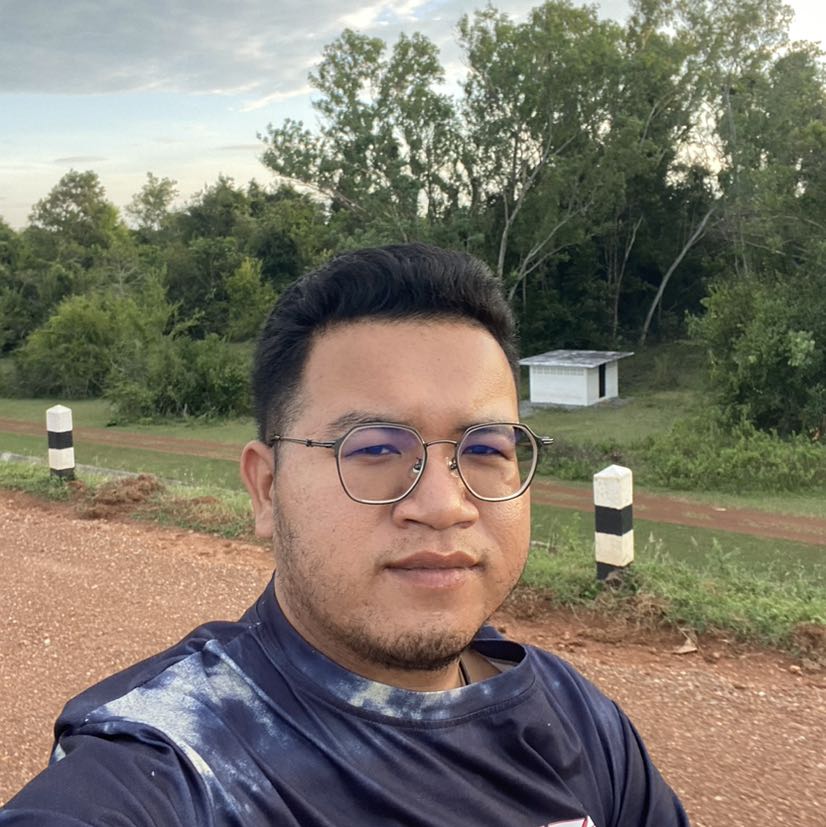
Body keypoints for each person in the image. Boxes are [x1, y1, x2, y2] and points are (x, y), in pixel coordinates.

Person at [0, 243, 690, 826]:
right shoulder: (178, 758)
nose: (443, 505)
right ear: (267, 488)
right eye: (375, 448)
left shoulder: (579, 722)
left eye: (485, 448)